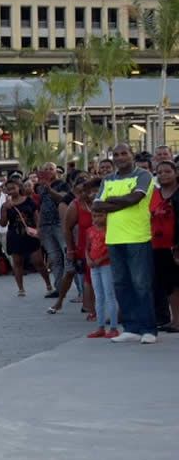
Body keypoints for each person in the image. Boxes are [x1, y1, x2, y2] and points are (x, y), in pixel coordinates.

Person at [93, 143, 159, 344]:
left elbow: (136, 198)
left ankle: (148, 329)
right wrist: (121, 201)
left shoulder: (143, 175)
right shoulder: (108, 179)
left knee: (141, 285)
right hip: (114, 238)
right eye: (116, 154)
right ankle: (131, 328)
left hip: (138, 237)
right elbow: (97, 204)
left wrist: (111, 202)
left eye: (124, 153)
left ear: (132, 155)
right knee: (122, 285)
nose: (120, 157)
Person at [0, 182, 51, 297]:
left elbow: (36, 216)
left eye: (13, 187)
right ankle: (21, 289)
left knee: (38, 262)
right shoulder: (6, 205)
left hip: (31, 235)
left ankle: (48, 285)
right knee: (18, 263)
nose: (11, 191)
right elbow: (2, 224)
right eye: (9, 189)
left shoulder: (29, 201)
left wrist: (38, 230)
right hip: (15, 236)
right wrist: (4, 210)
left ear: (19, 188)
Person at [149, 160, 178, 331]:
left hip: (175, 245)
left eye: (167, 171)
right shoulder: (154, 194)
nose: (163, 175)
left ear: (175, 173)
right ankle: (175, 319)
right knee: (169, 285)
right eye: (159, 172)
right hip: (158, 245)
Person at [35, 162, 70, 297]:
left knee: (67, 255)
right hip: (46, 226)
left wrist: (50, 190)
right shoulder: (40, 187)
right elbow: (41, 206)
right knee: (54, 258)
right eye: (46, 169)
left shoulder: (62, 184)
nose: (49, 171)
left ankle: (78, 289)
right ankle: (59, 288)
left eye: (51, 169)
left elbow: (65, 199)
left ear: (56, 171)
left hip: (59, 224)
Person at [86, 211, 121, 338]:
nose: (96, 218)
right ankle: (100, 326)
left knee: (109, 294)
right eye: (94, 216)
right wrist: (88, 259)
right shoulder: (90, 230)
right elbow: (87, 248)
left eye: (100, 215)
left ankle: (113, 327)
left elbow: (112, 249)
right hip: (94, 266)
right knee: (99, 295)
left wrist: (100, 259)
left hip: (106, 265)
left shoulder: (110, 230)